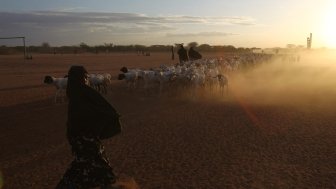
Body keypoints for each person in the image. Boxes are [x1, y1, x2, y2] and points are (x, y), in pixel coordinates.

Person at [56, 65, 121, 189]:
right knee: (98, 167)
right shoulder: (84, 92)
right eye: (85, 77)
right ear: (80, 78)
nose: (87, 80)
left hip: (79, 139)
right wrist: (97, 130)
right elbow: (106, 112)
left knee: (82, 166)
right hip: (87, 139)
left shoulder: (74, 92)